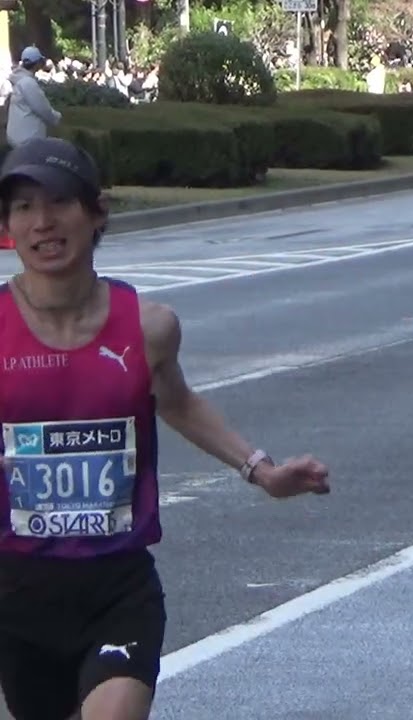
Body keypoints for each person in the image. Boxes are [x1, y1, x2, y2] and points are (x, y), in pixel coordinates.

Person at [0, 137, 332, 719]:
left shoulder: (149, 327)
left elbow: (176, 402)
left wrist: (262, 470)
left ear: (96, 213)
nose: (42, 222)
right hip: (15, 593)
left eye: (59, 203)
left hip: (116, 591)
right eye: (23, 207)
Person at [5, 46, 62, 148]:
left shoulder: (18, 80)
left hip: (17, 136)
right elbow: (42, 108)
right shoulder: (28, 83)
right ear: (37, 63)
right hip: (28, 138)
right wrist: (57, 118)